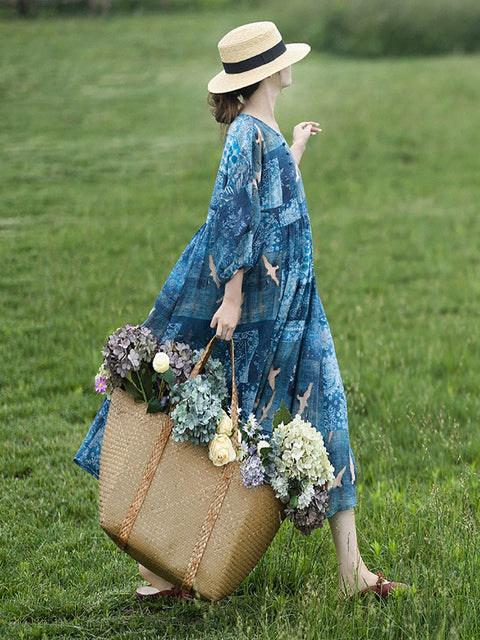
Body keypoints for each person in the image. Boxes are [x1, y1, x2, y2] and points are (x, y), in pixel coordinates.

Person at [75, 21, 407, 600]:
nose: (289, 65)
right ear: (266, 74)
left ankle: (351, 571)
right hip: (254, 309)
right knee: (206, 416)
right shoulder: (245, 137)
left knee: (327, 404)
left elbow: (269, 205)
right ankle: (157, 568)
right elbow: (231, 215)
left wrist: (295, 151)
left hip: (296, 301)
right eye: (282, 60)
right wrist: (229, 300)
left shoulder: (264, 131)